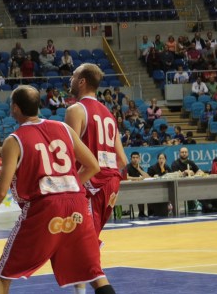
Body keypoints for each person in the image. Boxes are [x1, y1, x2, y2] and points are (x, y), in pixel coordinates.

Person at [0, 86, 116, 294]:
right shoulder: (64, 128)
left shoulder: (14, 140)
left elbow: (0, 192)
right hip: (77, 204)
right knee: (96, 275)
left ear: (15, 108)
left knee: (4, 277)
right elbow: (93, 166)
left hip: (44, 207)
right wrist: (65, 187)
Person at [65, 63, 127, 294]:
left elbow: (70, 155)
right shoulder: (109, 114)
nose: (70, 79)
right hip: (111, 183)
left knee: (82, 246)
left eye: (73, 76)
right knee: (80, 244)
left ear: (82, 81)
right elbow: (122, 159)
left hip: (90, 182)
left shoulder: (76, 110)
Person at [125, 152, 150, 218]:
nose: (135, 159)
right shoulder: (127, 167)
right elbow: (126, 177)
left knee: (144, 192)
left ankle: (143, 213)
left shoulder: (140, 167)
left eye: (137, 158)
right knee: (140, 192)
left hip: (139, 188)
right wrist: (137, 178)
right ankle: (141, 213)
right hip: (129, 189)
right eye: (133, 158)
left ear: (139, 159)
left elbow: (147, 177)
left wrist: (139, 169)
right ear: (131, 159)